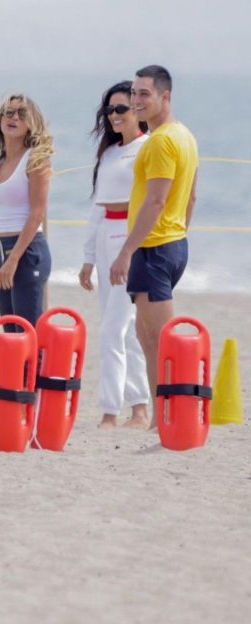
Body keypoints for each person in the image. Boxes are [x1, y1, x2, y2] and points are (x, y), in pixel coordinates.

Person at [109, 66, 198, 420]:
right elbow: (190, 198)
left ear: (165, 96)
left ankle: (173, 419)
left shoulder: (161, 140)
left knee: (159, 343)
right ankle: (163, 420)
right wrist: (179, 237)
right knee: (149, 341)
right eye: (134, 93)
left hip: (154, 249)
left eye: (144, 94)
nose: (136, 101)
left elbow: (156, 200)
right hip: (171, 245)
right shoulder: (184, 135)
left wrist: (126, 251)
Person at [78, 81, 151, 429]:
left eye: (121, 109)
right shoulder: (107, 154)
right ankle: (139, 406)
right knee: (123, 327)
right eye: (109, 110)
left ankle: (110, 411)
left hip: (131, 241)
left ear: (137, 109)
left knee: (114, 328)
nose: (113, 116)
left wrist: (132, 249)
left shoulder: (148, 148)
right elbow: (98, 207)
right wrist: (88, 259)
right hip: (106, 235)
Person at [0, 94, 54, 330]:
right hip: (2, 250)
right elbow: (1, 212)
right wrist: (0, 255)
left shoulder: (35, 160)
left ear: (31, 123)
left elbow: (36, 214)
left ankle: (36, 370)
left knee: (27, 332)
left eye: (21, 115)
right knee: (10, 332)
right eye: (8, 112)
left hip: (26, 250)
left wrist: (13, 260)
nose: (13, 118)